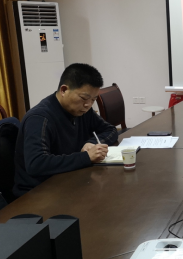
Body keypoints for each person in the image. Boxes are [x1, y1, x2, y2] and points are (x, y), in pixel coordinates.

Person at [14, 63, 118, 197]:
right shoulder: (40, 118)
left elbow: (110, 130)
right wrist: (86, 157)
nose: (88, 105)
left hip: (69, 179)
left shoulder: (82, 110)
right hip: (38, 192)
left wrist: (91, 143)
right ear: (64, 90)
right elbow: (36, 163)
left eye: (93, 99)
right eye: (84, 98)